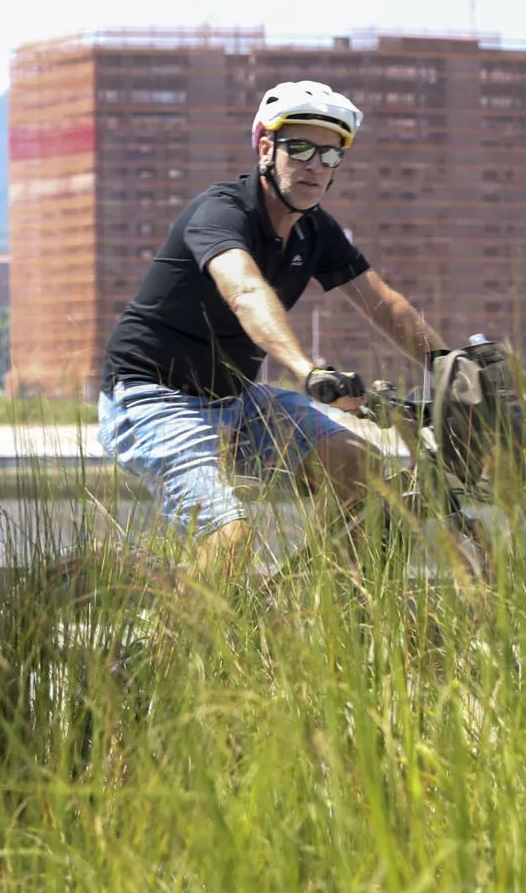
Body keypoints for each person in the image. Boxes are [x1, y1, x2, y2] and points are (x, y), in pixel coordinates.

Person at [96, 80, 445, 573]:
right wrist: (307, 370)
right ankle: (172, 650)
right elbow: (245, 292)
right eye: (299, 148)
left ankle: (312, 612)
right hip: (152, 398)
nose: (315, 166)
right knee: (230, 537)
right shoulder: (221, 213)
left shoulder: (315, 229)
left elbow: (382, 304)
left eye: (330, 156)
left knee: (365, 474)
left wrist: (451, 367)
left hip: (236, 399)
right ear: (265, 147)